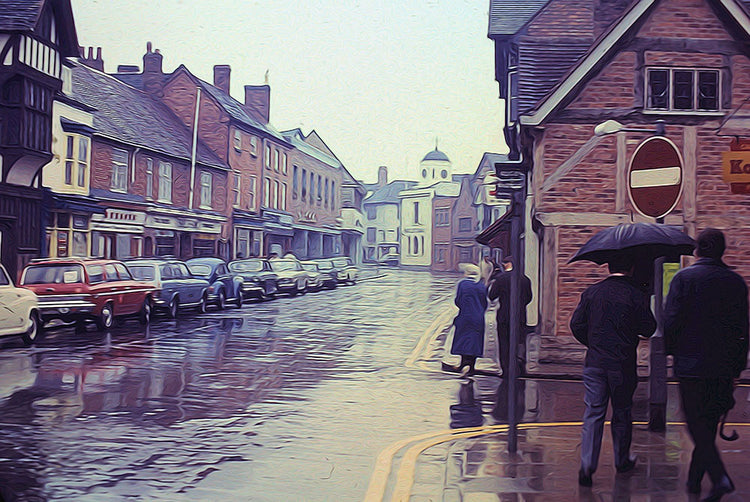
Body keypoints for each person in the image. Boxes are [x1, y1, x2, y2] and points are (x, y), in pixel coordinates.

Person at [664, 228, 748, 501]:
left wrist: (670, 351)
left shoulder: (684, 279)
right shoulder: (735, 282)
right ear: (722, 250)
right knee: (708, 424)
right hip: (722, 366)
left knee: (695, 423)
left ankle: (720, 478)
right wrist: (737, 367)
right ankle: (694, 481)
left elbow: (672, 320)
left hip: (690, 364)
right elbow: (742, 329)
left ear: (698, 250)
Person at [570, 253, 656, 487]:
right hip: (622, 363)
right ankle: (621, 459)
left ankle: (587, 466)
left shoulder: (592, 292)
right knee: (622, 412)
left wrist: (594, 343)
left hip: (595, 362)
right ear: (631, 268)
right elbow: (649, 328)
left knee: (593, 413)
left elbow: (576, 324)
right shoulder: (636, 294)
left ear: (609, 267)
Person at [488, 257, 532, 378]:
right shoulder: (525, 279)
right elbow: (529, 297)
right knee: (520, 341)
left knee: (504, 343)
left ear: (507, 264)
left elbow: (492, 296)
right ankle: (520, 368)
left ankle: (506, 370)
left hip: (504, 317)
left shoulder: (500, 279)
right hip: (520, 317)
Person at [443, 264, 488, 376]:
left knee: (464, 339)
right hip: (478, 317)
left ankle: (464, 363)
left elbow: (458, 300)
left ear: (467, 273)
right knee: (475, 340)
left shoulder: (463, 284)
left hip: (465, 315)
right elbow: (485, 302)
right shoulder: (481, 286)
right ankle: (471, 365)